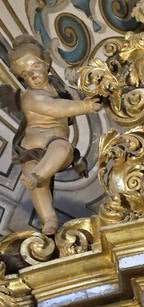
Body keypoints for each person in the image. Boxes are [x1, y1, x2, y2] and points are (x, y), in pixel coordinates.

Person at [5, 37, 100, 235]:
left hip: (56, 147)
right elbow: (54, 108)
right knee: (38, 186)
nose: (32, 75)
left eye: (35, 66)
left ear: (46, 64)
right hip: (30, 151)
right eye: (25, 74)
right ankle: (49, 220)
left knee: (63, 148)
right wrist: (85, 106)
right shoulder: (31, 96)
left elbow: (70, 99)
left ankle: (37, 175)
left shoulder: (58, 88)